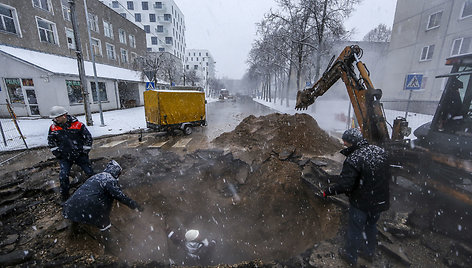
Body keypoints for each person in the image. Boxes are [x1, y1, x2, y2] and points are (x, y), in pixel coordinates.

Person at [323, 128, 390, 266]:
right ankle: (369, 253)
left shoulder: (354, 159)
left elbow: (345, 185)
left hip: (362, 203)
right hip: (379, 201)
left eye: (345, 142)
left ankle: (350, 257)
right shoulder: (379, 152)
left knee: (355, 229)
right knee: (371, 226)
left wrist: (327, 191)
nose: (344, 145)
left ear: (351, 142)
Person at [63, 160, 143, 232]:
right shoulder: (109, 180)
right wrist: (135, 206)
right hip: (90, 208)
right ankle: (109, 245)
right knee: (104, 223)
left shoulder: (96, 177)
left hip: (69, 207)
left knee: (78, 209)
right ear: (117, 173)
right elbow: (120, 196)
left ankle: (73, 231)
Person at [47, 106, 94, 201]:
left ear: (64, 115)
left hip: (80, 155)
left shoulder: (78, 125)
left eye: (57, 117)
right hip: (65, 157)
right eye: (54, 118)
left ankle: (97, 190)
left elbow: (88, 138)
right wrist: (57, 154)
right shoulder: (53, 128)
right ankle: (65, 197)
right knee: (63, 176)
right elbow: (51, 142)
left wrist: (84, 152)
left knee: (90, 173)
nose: (55, 119)